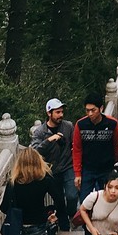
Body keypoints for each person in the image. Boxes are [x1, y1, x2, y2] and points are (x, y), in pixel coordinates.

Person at [30, 98, 74, 228]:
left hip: (67, 166)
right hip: (51, 170)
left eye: (61, 112)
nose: (61, 115)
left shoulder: (68, 126)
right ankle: (64, 225)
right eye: (57, 112)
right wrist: (49, 140)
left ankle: (72, 214)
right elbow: (35, 152)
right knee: (59, 199)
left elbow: (75, 145)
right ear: (49, 113)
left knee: (71, 195)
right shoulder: (40, 132)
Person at [72, 98, 118, 206]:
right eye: (87, 110)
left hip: (106, 168)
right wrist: (77, 174)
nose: (90, 113)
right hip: (87, 168)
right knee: (85, 200)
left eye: (93, 110)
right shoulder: (81, 125)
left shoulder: (112, 123)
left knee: (106, 199)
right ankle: (86, 222)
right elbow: (77, 150)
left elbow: (117, 146)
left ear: (101, 108)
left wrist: (115, 164)